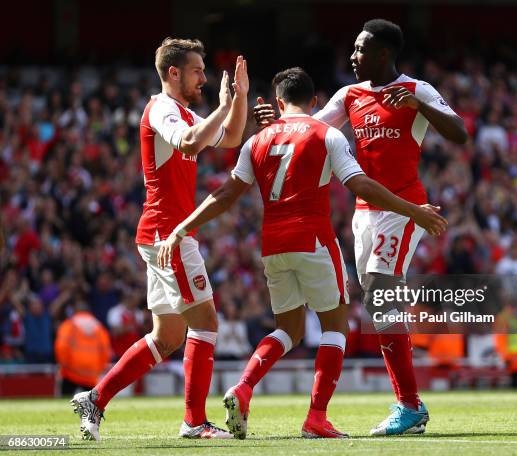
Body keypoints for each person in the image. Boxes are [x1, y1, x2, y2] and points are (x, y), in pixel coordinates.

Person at [157, 67, 447, 439]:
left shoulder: (257, 141)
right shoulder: (326, 134)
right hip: (313, 239)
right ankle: (316, 417)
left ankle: (243, 387)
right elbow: (359, 183)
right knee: (336, 327)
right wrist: (412, 209)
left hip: (273, 246)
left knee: (288, 330)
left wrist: (183, 226)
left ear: (278, 102)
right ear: (314, 102)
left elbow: (226, 194)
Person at [254, 19, 467, 436]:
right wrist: (274, 123)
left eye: (359, 49)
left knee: (381, 287)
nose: (351, 57)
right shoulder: (349, 95)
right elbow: (310, 130)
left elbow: (458, 132)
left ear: (383, 53)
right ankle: (409, 405)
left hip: (404, 207)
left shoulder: (417, 89)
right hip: (364, 211)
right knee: (375, 300)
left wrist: (419, 107)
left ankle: (409, 405)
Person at [70, 37, 249, 441]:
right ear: (173, 72)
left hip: (161, 232)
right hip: (170, 233)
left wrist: (240, 97)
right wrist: (222, 106)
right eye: (197, 70)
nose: (203, 77)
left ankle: (95, 400)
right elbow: (189, 143)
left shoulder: (183, 112)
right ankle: (194, 422)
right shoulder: (162, 109)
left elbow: (231, 137)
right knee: (205, 323)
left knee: (167, 336)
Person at [55, 300, 112, 396]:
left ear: (75, 310)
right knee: (90, 406)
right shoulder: (98, 327)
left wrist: (63, 364)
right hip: (91, 374)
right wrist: (99, 369)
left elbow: (61, 346)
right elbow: (105, 350)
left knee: (65, 403)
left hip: (71, 372)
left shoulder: (69, 324)